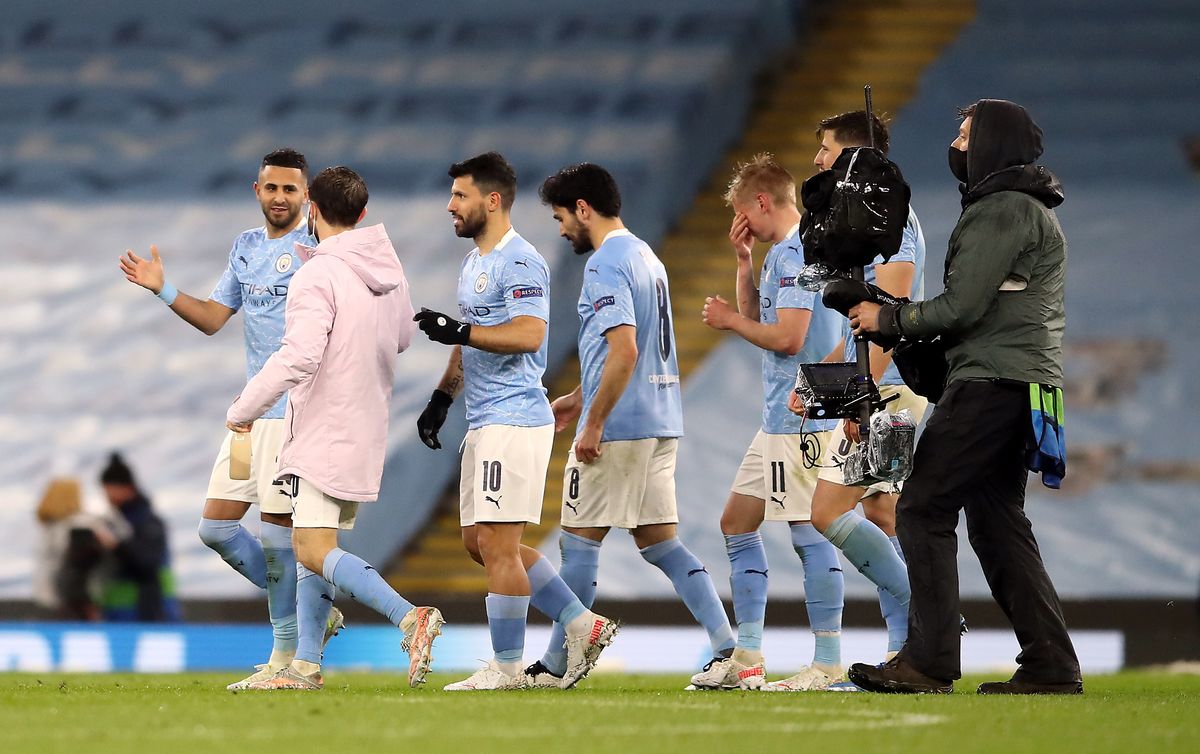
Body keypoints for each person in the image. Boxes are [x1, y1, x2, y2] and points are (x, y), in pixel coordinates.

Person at [847, 99, 1082, 694]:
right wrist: (898, 324)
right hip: (1024, 383)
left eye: (965, 133)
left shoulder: (1000, 210)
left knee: (923, 506)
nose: (956, 142)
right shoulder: (1022, 209)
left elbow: (961, 309)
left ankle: (928, 661)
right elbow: (980, 313)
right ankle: (1051, 663)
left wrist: (890, 317)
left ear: (990, 145)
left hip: (994, 383)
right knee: (997, 521)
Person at [119, 149, 341, 687]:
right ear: (256, 190)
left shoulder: (320, 249)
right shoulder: (244, 248)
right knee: (216, 527)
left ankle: (286, 657)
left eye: (292, 190)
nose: (281, 198)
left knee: (278, 537)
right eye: (272, 188)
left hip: (297, 412)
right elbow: (214, 318)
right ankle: (308, 613)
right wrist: (163, 289)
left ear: (307, 196)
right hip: (253, 411)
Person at [227, 166, 443, 691]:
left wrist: (244, 408)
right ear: (363, 213)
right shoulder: (389, 273)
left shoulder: (316, 275)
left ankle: (409, 617)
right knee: (313, 546)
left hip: (324, 425)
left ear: (314, 212)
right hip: (366, 423)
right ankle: (304, 666)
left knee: (311, 550)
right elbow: (402, 339)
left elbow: (298, 357)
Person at [524, 163, 735, 688]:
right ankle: (730, 648)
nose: (561, 229)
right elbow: (629, 355)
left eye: (560, 217)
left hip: (621, 427)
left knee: (577, 541)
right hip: (661, 419)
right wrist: (580, 396)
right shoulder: (647, 256)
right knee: (660, 542)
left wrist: (593, 420)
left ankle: (558, 662)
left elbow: (625, 350)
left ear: (583, 209)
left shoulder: (605, 264)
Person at [413, 152, 617, 690]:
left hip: (515, 418)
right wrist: (441, 398)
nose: (450, 206)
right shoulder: (474, 263)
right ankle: (582, 623)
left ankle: (505, 667)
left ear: (492, 199)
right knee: (476, 543)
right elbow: (471, 335)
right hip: (484, 418)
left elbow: (529, 335)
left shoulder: (520, 260)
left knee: (499, 546)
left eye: (460, 195)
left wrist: (460, 333)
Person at [695, 153, 845, 691]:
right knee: (736, 522)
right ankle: (749, 656)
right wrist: (742, 263)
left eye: (743, 215)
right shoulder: (785, 250)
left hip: (800, 416)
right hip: (779, 414)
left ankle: (828, 661)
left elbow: (788, 338)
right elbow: (767, 320)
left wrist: (729, 320)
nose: (743, 226)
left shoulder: (798, 250)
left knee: (810, 531)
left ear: (762, 201)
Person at [792, 112, 928, 669]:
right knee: (882, 516)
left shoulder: (892, 217)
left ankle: (928, 616)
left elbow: (890, 318)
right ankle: (908, 648)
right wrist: (820, 385)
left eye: (825, 150)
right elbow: (856, 328)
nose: (818, 160)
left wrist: (857, 395)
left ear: (851, 154)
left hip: (889, 390)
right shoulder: (860, 215)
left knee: (828, 511)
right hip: (878, 384)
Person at [94, 453, 181, 622]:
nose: (106, 497)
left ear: (126, 488)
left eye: (108, 490)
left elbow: (147, 561)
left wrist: (116, 546)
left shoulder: (147, 522)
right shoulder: (114, 520)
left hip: (149, 610)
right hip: (119, 612)